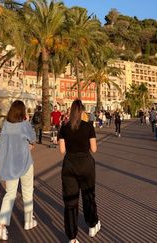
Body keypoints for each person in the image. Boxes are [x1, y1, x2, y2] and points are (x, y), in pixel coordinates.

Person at [58, 99, 101, 243]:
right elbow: (94, 149)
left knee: (70, 202)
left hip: (69, 165)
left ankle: (72, 237)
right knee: (88, 196)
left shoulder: (64, 128)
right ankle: (92, 225)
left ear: (71, 111)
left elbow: (62, 150)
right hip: (86, 165)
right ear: (82, 111)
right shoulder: (88, 127)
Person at [0, 100, 37, 240]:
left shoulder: (5, 125)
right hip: (24, 163)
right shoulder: (24, 125)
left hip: (9, 165)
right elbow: (33, 138)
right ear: (22, 111)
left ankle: (1, 226)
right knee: (27, 191)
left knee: (10, 194)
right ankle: (28, 220)